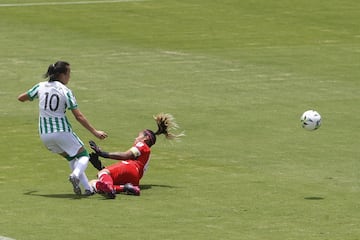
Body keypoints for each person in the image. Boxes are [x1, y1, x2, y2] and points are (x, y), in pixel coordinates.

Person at [17, 61, 108, 196]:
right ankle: (75, 175)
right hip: (61, 131)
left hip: (45, 137)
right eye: (68, 73)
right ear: (61, 75)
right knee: (83, 156)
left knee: (72, 158)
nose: (69, 77)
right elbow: (79, 116)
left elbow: (21, 98)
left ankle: (88, 189)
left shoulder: (40, 86)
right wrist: (95, 132)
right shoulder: (65, 91)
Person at [88, 113, 184, 199]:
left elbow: (126, 155)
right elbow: (120, 173)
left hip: (131, 168)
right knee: (93, 183)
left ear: (145, 138)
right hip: (134, 179)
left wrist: (103, 154)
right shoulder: (145, 155)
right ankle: (124, 188)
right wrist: (100, 166)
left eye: (139, 136)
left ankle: (114, 188)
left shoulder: (142, 145)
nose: (136, 138)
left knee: (102, 174)